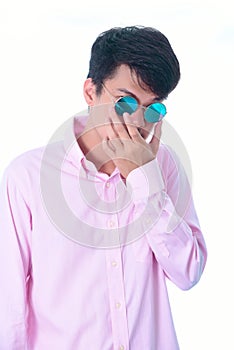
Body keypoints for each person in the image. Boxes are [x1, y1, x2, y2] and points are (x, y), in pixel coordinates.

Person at [0, 26, 207, 350]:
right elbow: (8, 309)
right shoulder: (26, 178)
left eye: (153, 108)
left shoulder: (164, 167)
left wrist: (144, 179)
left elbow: (188, 272)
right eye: (125, 102)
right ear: (90, 92)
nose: (138, 121)